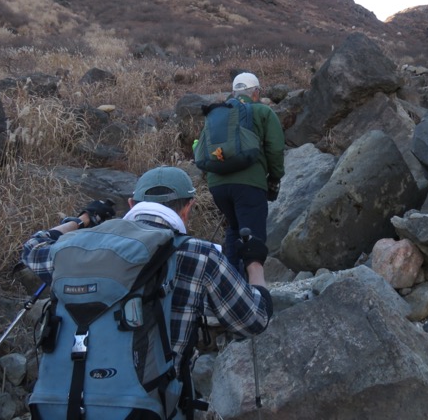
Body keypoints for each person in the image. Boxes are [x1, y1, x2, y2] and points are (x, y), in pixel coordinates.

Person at [20, 165, 273, 377]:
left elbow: (32, 248)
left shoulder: (80, 246)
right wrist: (254, 265)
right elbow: (254, 320)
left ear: (132, 204)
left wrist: (82, 221)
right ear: (188, 208)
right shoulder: (201, 254)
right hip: (148, 404)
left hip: (69, 401)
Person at [204, 72, 285, 271]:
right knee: (253, 239)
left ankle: (229, 286)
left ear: (233, 92)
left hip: (218, 185)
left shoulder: (218, 113)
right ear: (255, 92)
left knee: (234, 229)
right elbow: (275, 149)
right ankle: (250, 291)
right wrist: (274, 178)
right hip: (249, 185)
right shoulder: (263, 112)